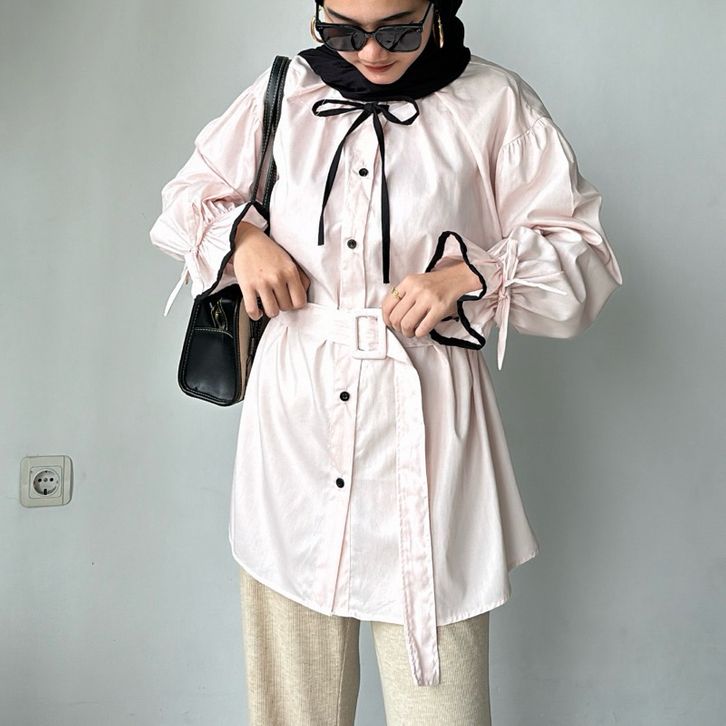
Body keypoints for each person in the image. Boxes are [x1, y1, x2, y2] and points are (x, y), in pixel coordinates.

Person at [149, 1, 623, 723]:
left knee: (443, 707)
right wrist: (243, 240)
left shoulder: (495, 103)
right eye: (342, 30)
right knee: (293, 709)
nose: (370, 52)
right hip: (295, 431)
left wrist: (470, 274)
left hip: (428, 432)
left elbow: (581, 256)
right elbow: (187, 199)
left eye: (397, 29)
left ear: (438, 10)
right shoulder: (286, 91)